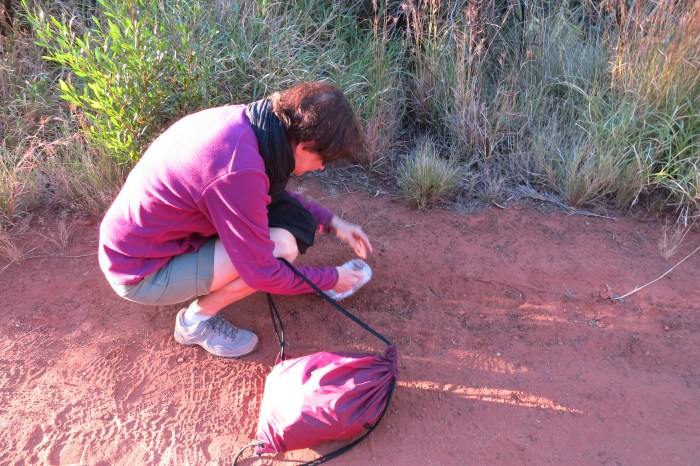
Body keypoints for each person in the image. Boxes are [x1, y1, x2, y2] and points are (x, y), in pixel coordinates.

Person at [98, 82, 373, 359]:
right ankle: (194, 324)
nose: (322, 167)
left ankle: (198, 281)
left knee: (275, 234)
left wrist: (334, 223)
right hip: (141, 271)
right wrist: (331, 279)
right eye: (323, 159)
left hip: (139, 240)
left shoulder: (250, 124)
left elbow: (263, 196)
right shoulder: (237, 170)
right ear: (304, 146)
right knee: (281, 248)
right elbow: (262, 272)